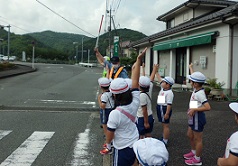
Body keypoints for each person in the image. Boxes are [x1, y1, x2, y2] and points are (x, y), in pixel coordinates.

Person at [100, 47, 147, 166]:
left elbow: (110, 133)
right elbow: (135, 80)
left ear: (114, 95)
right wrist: (138, 60)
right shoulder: (135, 100)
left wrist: (108, 145)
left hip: (122, 148)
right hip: (134, 142)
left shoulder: (115, 114)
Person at [183, 63, 211, 165]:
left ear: (195, 83)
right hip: (193, 117)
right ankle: (193, 152)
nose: (190, 82)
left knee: (197, 139)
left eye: (191, 81)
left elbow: (208, 107)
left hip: (197, 117)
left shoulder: (200, 94)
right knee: (190, 135)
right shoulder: (196, 89)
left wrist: (195, 109)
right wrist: (190, 67)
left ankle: (197, 159)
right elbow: (194, 76)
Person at [136, 64, 158, 139]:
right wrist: (154, 69)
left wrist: (146, 122)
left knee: (142, 136)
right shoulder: (149, 88)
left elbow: (144, 110)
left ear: (139, 85)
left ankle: (143, 149)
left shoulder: (141, 96)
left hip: (143, 118)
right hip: (150, 116)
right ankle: (149, 148)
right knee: (148, 133)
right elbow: (151, 78)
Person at [156, 65, 174, 146]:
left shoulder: (169, 93)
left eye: (163, 82)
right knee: (163, 124)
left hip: (164, 108)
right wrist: (155, 71)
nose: (161, 82)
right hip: (160, 106)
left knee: (165, 125)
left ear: (168, 85)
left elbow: (169, 104)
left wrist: (167, 113)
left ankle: (165, 140)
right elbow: (159, 78)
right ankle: (164, 137)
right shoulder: (163, 89)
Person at [97, 77, 115, 146]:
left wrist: (99, 99)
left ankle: (108, 139)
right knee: (110, 124)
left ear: (101, 86)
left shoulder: (103, 96)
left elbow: (102, 106)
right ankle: (110, 138)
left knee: (104, 124)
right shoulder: (111, 92)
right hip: (111, 109)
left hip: (106, 110)